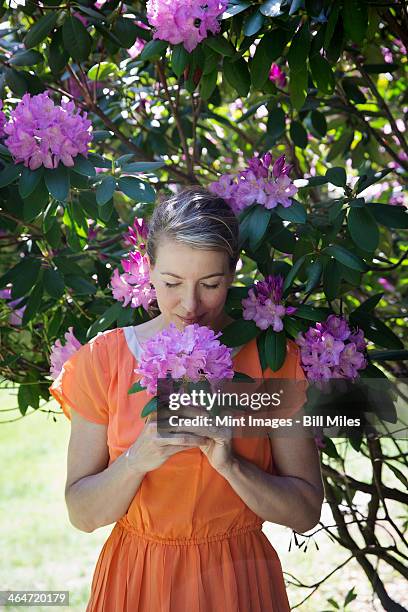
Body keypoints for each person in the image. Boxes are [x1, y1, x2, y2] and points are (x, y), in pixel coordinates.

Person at [49, 186, 324, 611]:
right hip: (137, 578)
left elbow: (305, 512)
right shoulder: (103, 360)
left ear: (233, 274)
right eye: (172, 283)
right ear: (150, 269)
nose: (190, 304)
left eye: (211, 284)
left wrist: (231, 467)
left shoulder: (274, 361)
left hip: (237, 578)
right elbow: (82, 514)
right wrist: (136, 460)